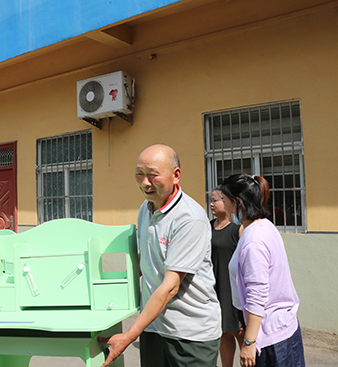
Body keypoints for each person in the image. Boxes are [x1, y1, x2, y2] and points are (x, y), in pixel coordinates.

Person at [99, 144, 221, 367]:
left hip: (190, 333)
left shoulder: (189, 218)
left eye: (153, 175)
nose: (145, 183)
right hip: (154, 327)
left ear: (176, 175)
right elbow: (144, 261)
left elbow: (170, 286)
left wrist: (129, 335)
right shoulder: (146, 209)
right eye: (139, 174)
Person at [220, 174, 304, 367]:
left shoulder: (253, 241)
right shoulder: (263, 226)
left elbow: (257, 294)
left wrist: (249, 342)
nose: (224, 207)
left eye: (225, 201)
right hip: (281, 326)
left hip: (269, 336)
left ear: (238, 203)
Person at [210, 187, 244, 367]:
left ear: (226, 202)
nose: (211, 204)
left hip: (233, 289)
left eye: (215, 200)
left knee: (240, 332)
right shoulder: (208, 227)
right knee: (224, 331)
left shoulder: (238, 230)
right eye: (210, 200)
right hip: (216, 287)